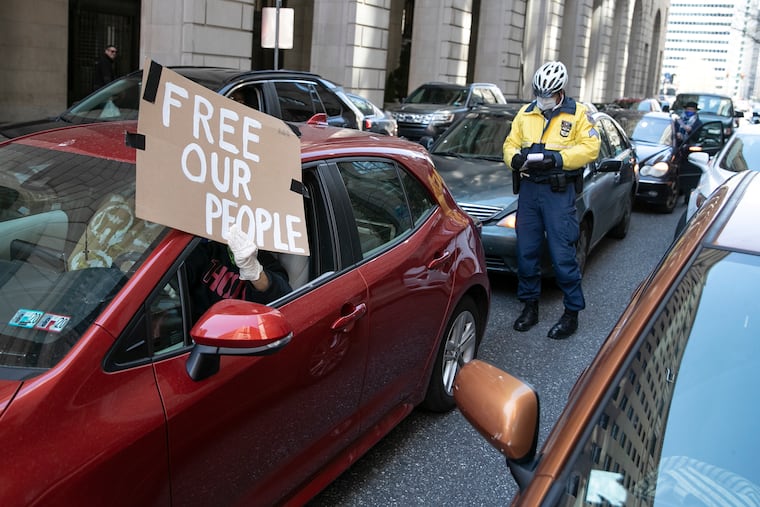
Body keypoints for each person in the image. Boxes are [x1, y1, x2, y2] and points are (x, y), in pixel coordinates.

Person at [502, 61, 601, 339]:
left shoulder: (578, 114)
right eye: (539, 93)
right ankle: (530, 306)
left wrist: (558, 158)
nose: (542, 99)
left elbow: (591, 148)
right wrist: (515, 158)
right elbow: (509, 144)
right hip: (530, 191)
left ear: (560, 92)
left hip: (559, 193)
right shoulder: (526, 113)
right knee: (526, 252)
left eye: (548, 94)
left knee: (563, 255)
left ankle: (572, 312)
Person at [186, 224, 292, 321]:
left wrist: (254, 272)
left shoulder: (267, 262)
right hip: (196, 328)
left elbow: (284, 299)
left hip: (244, 330)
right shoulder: (210, 250)